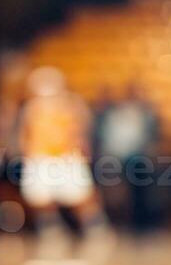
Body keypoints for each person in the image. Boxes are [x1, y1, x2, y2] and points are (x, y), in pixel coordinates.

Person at [15, 66, 110, 249]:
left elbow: (82, 130)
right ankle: (50, 226)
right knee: (40, 197)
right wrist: (27, 154)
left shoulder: (72, 105)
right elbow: (25, 134)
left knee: (80, 195)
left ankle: (94, 225)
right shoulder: (31, 108)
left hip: (67, 157)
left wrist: (80, 149)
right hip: (41, 157)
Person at [95, 84, 161, 232]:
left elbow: (150, 137)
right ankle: (112, 221)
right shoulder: (114, 113)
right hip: (115, 156)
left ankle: (141, 221)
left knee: (141, 187)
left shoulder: (145, 114)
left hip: (137, 157)